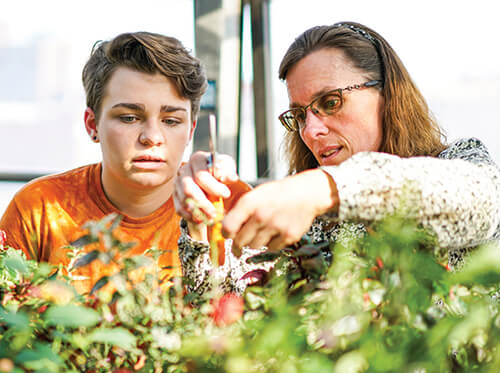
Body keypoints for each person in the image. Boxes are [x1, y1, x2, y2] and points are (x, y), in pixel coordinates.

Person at [174, 22, 500, 294]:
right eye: (299, 115)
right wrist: (205, 223)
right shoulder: (310, 224)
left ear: (387, 95)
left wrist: (323, 188)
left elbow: (481, 200)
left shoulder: (460, 162)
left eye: (330, 102)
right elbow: (226, 307)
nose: (310, 130)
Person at [0, 32, 208, 294]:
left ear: (191, 130)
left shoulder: (230, 210)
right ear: (92, 124)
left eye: (171, 121)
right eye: (130, 118)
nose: (152, 137)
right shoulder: (40, 209)